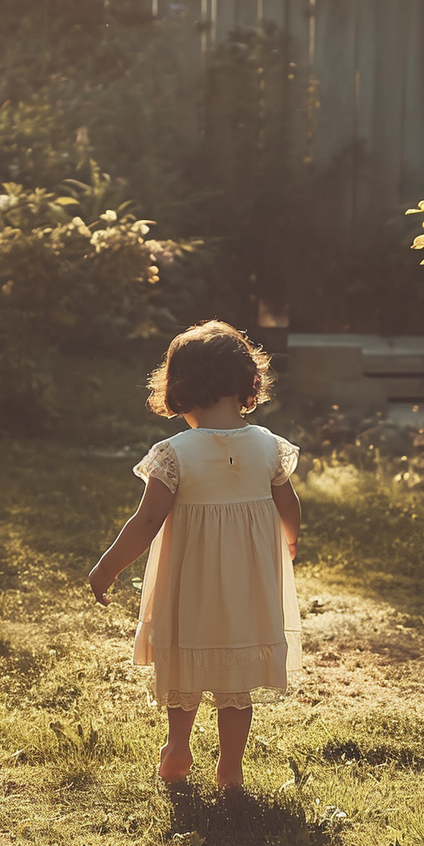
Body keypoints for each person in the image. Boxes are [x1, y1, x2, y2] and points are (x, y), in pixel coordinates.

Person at [87, 321, 302, 791]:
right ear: (247, 384)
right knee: (235, 680)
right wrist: (289, 542)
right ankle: (230, 767)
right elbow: (289, 504)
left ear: (179, 389)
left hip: (188, 584)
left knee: (183, 665)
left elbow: (146, 522)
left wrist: (107, 567)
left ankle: (178, 748)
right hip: (246, 585)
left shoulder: (173, 453)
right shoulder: (269, 446)